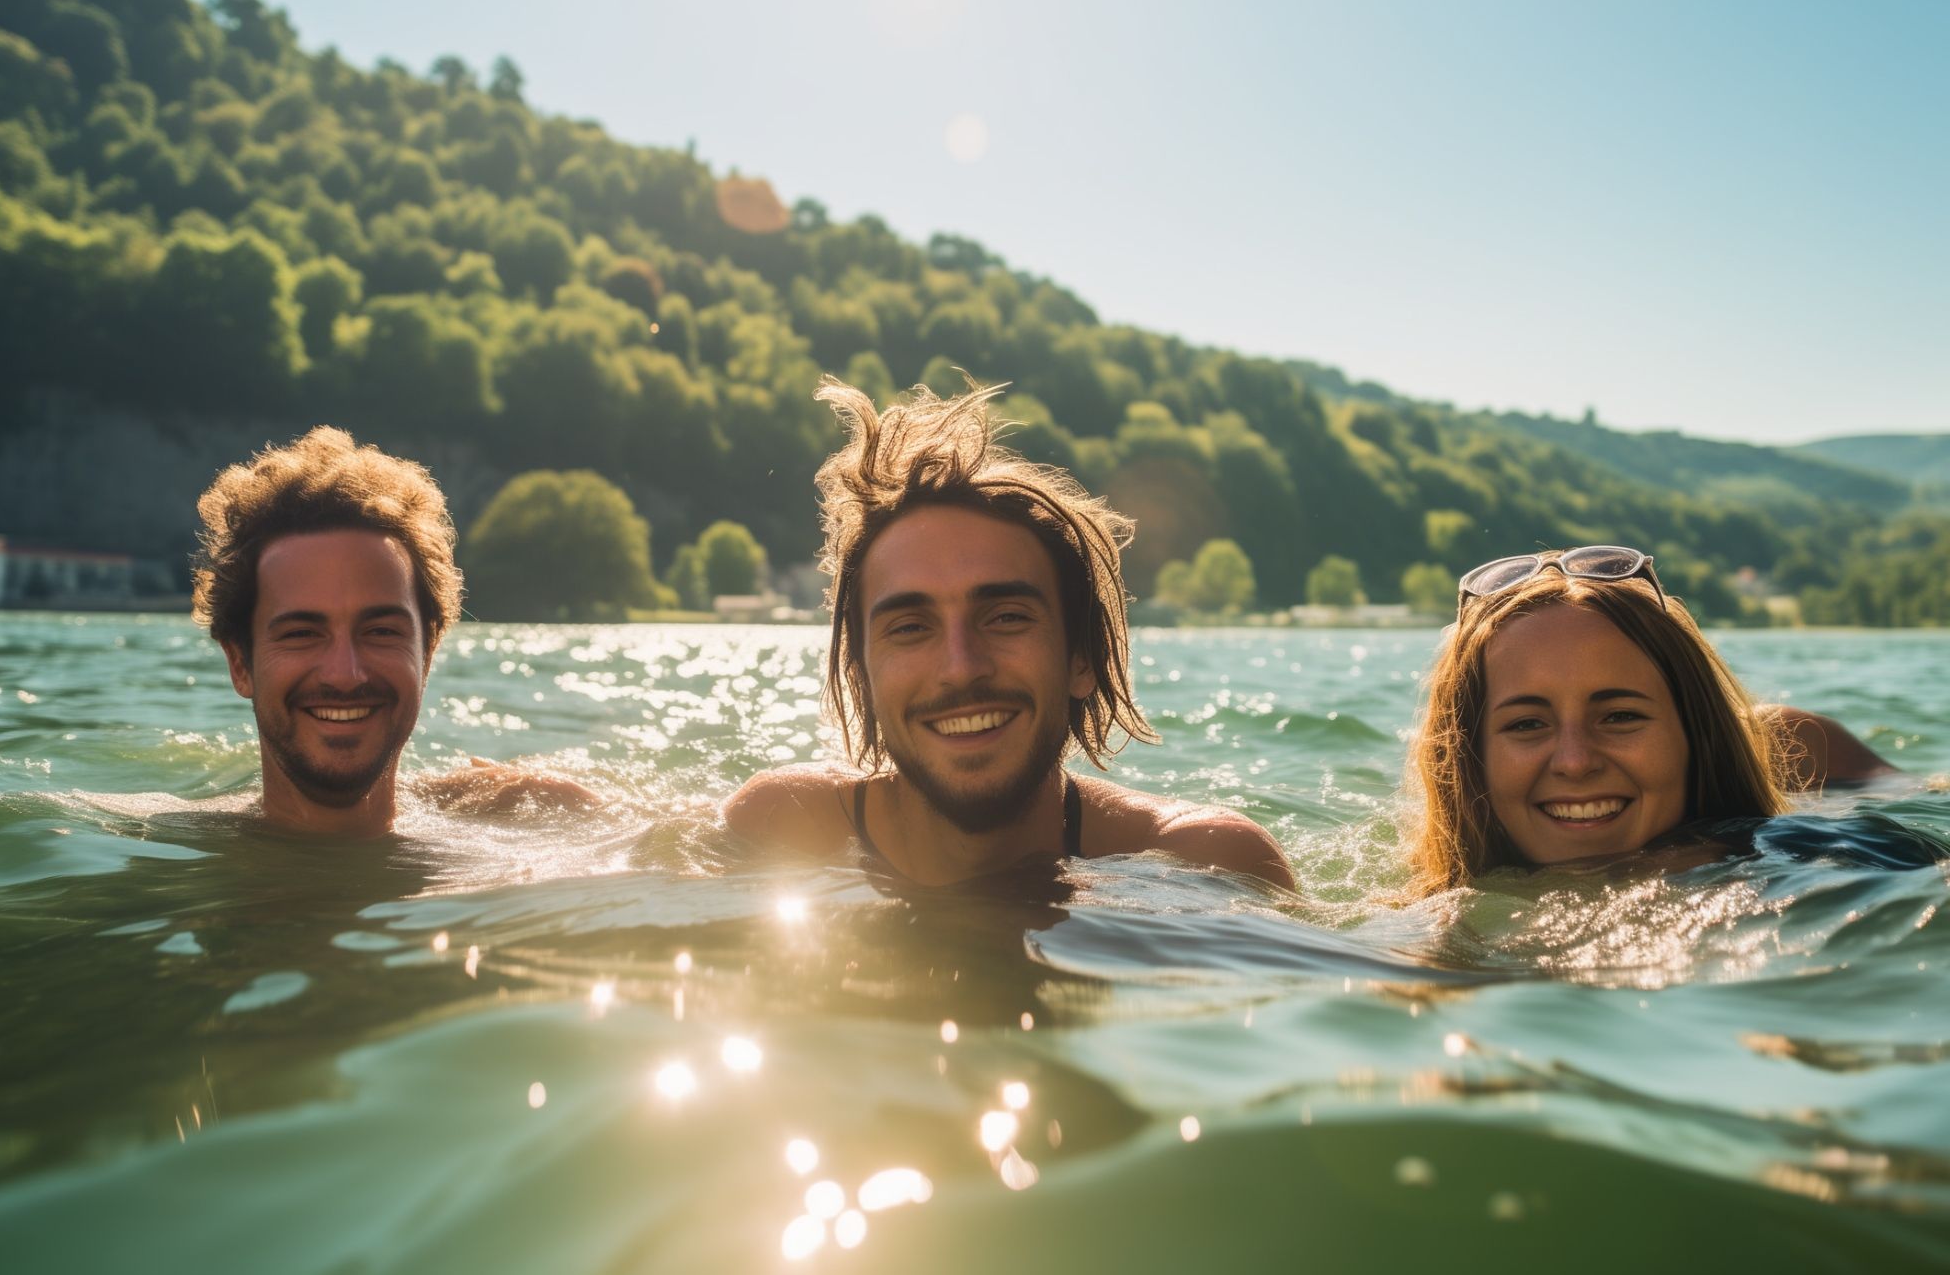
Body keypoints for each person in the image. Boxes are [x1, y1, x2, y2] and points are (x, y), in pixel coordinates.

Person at [724, 380, 1296, 890]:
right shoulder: (778, 826)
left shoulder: (1204, 863)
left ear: (1080, 656)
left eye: (1005, 618)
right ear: (861, 677)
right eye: (911, 627)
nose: (961, 665)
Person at [1402, 545, 1896, 894]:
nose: (1575, 762)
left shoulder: (1806, 869)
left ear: (1695, 731)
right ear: (1466, 755)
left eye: (1619, 716)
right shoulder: (1426, 923)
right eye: (1527, 724)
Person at [192, 426, 597, 835]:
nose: (344, 674)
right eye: (301, 634)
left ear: (427, 653)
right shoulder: (159, 844)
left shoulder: (543, 821)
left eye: (381, 631)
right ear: (240, 663)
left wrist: (558, 801)